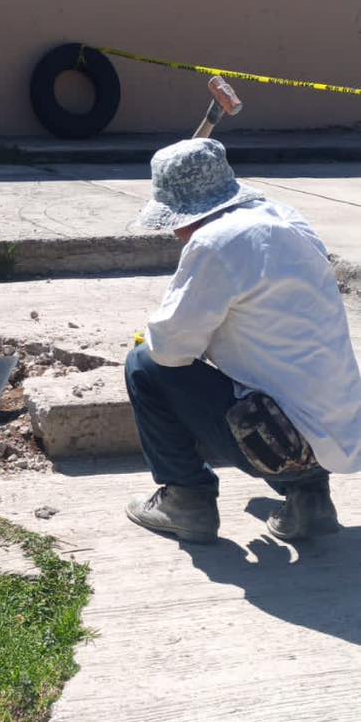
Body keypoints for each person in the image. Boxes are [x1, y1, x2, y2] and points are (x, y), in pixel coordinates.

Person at [124, 138, 361, 545]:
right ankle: (310, 499)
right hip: (339, 431)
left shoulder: (214, 243)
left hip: (287, 439)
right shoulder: (288, 220)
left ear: (184, 214)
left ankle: (187, 499)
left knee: (144, 365)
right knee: (288, 377)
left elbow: (169, 348)